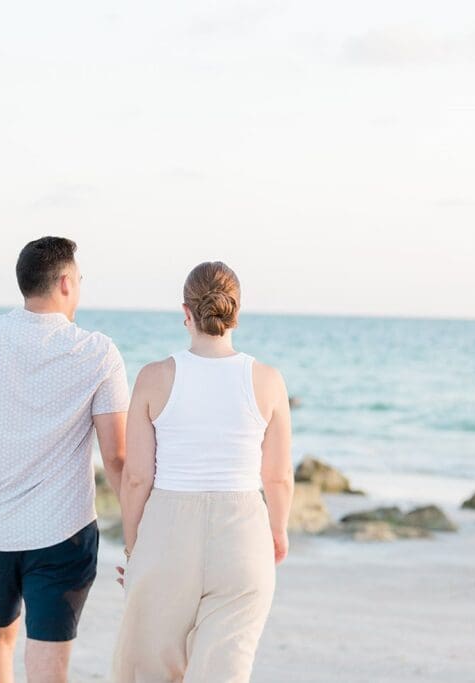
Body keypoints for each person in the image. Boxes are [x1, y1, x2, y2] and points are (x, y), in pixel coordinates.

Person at [0, 236, 130, 683]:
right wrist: (139, 531)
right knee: (48, 659)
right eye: (79, 280)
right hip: (63, 533)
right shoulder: (99, 353)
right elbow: (117, 457)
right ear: (65, 282)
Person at [113, 261, 294, 683]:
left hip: (168, 533)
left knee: (149, 672)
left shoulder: (155, 377)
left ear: (186, 312)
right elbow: (279, 476)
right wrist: (279, 532)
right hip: (244, 535)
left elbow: (137, 477)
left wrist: (134, 550)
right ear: (236, 311)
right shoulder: (267, 380)